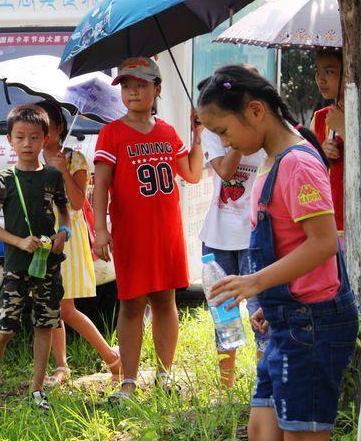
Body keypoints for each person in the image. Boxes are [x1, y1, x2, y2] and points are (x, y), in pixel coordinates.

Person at [198, 65, 356, 441]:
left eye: (225, 131)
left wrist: (256, 282)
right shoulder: (268, 162)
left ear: (255, 111)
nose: (225, 143)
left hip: (314, 323)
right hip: (288, 317)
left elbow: (324, 243)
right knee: (265, 435)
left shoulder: (299, 163)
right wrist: (271, 297)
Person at [92, 57, 203, 400]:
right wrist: (100, 228)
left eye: (141, 85)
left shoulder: (168, 132)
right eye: (126, 86)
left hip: (166, 230)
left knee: (166, 301)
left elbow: (192, 174)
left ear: (157, 89)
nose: (133, 92)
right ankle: (128, 381)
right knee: (131, 304)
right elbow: (101, 186)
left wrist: (197, 135)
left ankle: (164, 374)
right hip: (131, 233)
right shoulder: (111, 133)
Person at [0, 105, 71, 410]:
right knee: (6, 327)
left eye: (34, 137)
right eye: (20, 137)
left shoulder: (53, 176)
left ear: (45, 139)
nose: (27, 144)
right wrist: (18, 241)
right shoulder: (4, 179)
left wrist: (63, 233)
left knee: (45, 326)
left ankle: (38, 390)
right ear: (9, 140)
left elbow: (65, 211)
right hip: (16, 267)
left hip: (48, 267)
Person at [37, 101, 120, 386]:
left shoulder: (76, 159)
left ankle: (111, 357)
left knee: (65, 307)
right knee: (51, 304)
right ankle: (62, 365)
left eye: (48, 126)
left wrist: (61, 171)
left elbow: (77, 201)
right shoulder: (31, 160)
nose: (43, 134)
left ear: (60, 127)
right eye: (38, 128)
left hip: (68, 238)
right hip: (43, 240)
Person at [197, 71, 269, 387]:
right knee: (223, 313)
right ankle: (226, 386)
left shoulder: (267, 132)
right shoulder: (214, 133)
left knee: (261, 311)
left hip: (254, 235)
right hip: (218, 236)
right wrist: (235, 139)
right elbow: (226, 173)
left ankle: (262, 382)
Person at [310, 50, 345, 242]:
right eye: (317, 71)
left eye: (329, 72)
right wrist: (320, 154)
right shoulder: (320, 118)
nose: (320, 79)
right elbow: (307, 167)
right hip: (328, 219)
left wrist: (343, 129)